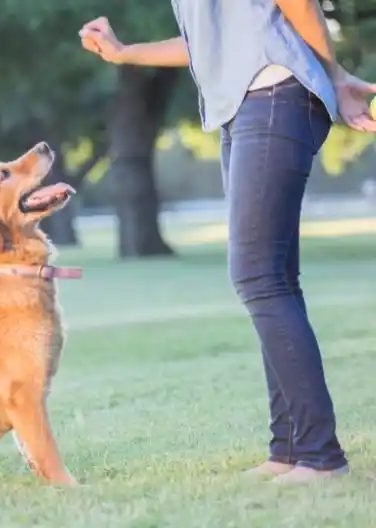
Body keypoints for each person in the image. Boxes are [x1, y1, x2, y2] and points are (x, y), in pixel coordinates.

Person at [79, 0, 376, 484]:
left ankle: (321, 456)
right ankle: (289, 448)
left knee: (258, 276)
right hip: (245, 105)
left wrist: (335, 74)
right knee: (274, 278)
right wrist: (125, 52)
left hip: (275, 92)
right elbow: (208, 42)